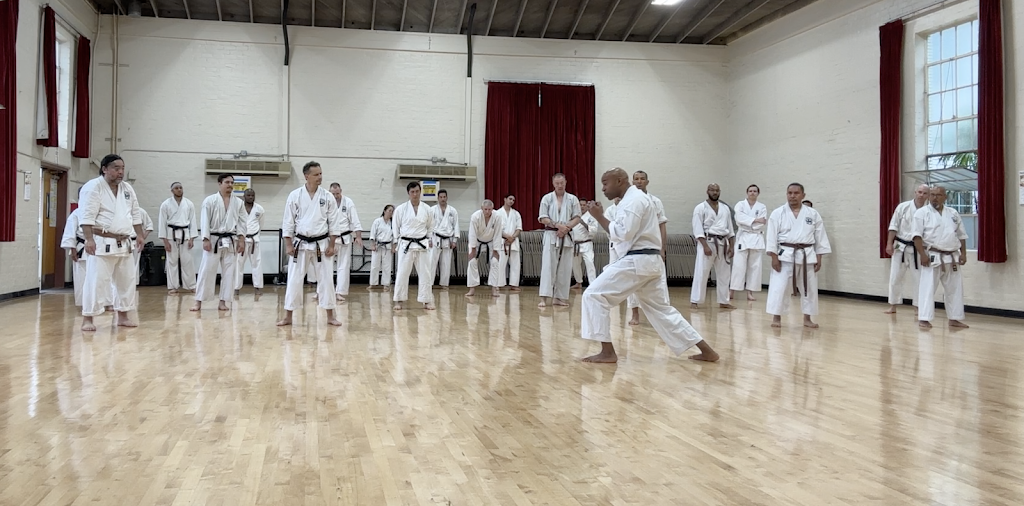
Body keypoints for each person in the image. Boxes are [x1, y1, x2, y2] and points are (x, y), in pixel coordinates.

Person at [580, 168, 719, 364]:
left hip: (638, 260)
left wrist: (599, 217)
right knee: (662, 311)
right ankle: (707, 351)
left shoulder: (634, 200)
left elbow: (624, 234)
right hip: (647, 262)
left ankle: (607, 352)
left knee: (593, 295)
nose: (603, 188)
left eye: (605, 183)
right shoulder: (632, 200)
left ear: (619, 181)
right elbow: (625, 231)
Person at [77, 154, 145, 332]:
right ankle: (88, 318)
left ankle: (123, 316)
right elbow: (86, 216)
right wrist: (89, 239)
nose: (120, 172)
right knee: (96, 282)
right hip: (101, 242)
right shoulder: (93, 187)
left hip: (124, 242)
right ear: (104, 169)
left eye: (122, 168)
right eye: (116, 168)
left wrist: (139, 234)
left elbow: (135, 213)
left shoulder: (127, 188)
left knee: (126, 282)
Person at [276, 161, 343, 326]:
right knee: (294, 280)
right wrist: (288, 244)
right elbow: (288, 221)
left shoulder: (327, 196)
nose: (320, 177)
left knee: (326, 280)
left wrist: (332, 244)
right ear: (307, 176)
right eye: (316, 174)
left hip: (322, 243)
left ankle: (330, 316)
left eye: (321, 173)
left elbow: (334, 222)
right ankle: (288, 316)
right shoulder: (295, 196)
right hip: (300, 244)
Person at [765, 183, 832, 328]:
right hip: (785, 255)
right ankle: (776, 317)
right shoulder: (778, 213)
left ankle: (807, 318)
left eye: (796, 193)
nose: (792, 196)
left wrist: (819, 257)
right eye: (789, 193)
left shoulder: (812, 214)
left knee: (809, 288)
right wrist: (774, 257)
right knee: (780, 287)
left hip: (807, 255)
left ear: (803, 195)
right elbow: (771, 236)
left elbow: (820, 236)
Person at [913, 185, 969, 329]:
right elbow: (917, 236)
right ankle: (924, 318)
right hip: (932, 255)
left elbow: (961, 235)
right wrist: (922, 254)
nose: (934, 198)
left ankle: (954, 318)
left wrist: (963, 253)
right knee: (927, 288)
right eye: (932, 195)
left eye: (938, 195)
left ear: (945, 197)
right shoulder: (921, 213)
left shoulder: (953, 213)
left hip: (952, 256)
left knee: (955, 289)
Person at [191, 174, 247, 312]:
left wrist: (241, 240)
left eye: (232, 182)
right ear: (219, 183)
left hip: (231, 240)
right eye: (227, 182)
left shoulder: (238, 202)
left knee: (229, 273)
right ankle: (198, 302)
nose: (230, 185)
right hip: (213, 239)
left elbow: (242, 222)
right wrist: (205, 239)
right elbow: (204, 220)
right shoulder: (210, 200)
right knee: (206, 270)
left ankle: (223, 301)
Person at [627, 171, 669, 325]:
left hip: (653, 247)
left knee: (659, 282)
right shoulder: (628, 201)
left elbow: (662, 225)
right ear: (632, 182)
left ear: (647, 182)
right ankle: (635, 314)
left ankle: (662, 314)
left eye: (642, 179)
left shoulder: (655, 201)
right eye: (636, 179)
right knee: (633, 283)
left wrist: (663, 248)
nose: (639, 181)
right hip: (633, 247)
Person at [538, 173, 582, 308]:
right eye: (557, 183)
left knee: (564, 268)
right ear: (553, 183)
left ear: (566, 182)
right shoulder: (547, 198)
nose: (559, 185)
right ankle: (544, 298)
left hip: (566, 235)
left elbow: (577, 217)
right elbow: (542, 218)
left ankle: (559, 298)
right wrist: (558, 226)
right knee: (548, 267)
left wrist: (566, 228)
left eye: (562, 183)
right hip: (551, 234)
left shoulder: (572, 199)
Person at [885, 184, 929, 313]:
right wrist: (889, 243)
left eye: (925, 193)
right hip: (900, 246)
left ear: (928, 196)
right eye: (919, 192)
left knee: (919, 279)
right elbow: (893, 226)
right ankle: (893, 305)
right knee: (895, 277)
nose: (921, 195)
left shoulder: (929, 211)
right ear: (915, 192)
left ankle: (918, 307)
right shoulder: (903, 207)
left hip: (918, 248)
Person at [690, 184, 735, 310]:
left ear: (719, 192)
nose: (715, 192)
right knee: (702, 272)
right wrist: (705, 246)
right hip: (707, 241)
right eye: (712, 190)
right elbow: (697, 228)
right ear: (707, 191)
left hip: (723, 243)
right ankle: (695, 300)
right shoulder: (700, 208)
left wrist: (732, 246)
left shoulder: (725, 208)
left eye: (717, 190)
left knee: (724, 274)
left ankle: (724, 301)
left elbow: (730, 229)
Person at [393, 181, 436, 311]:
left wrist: (429, 238)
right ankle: (399, 300)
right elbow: (395, 226)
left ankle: (426, 300)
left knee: (425, 273)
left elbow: (431, 226)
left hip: (422, 244)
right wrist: (395, 241)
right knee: (402, 273)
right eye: (412, 192)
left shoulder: (427, 209)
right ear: (408, 193)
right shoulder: (401, 209)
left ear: (420, 192)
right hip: (406, 244)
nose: (415, 194)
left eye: (417, 191)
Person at [159, 182, 198, 294]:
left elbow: (193, 221)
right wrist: (165, 241)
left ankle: (191, 285)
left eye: (180, 187)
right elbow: (162, 223)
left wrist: (192, 238)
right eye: (176, 188)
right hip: (171, 235)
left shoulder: (189, 204)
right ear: (172, 191)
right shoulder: (165, 204)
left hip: (185, 234)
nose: (179, 189)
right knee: (172, 261)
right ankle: (173, 286)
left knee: (188, 261)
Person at [730, 184, 767, 301]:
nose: (752, 193)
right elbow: (739, 219)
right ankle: (732, 290)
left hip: (756, 237)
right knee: (738, 265)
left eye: (755, 191)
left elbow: (762, 223)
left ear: (758, 193)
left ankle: (750, 292)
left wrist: (749, 222)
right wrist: (755, 220)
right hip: (743, 236)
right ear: (747, 192)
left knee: (755, 266)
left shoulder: (762, 207)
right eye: (750, 191)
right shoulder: (740, 205)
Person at [329, 182, 363, 303]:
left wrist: (358, 236)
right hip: (330, 239)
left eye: (337, 193)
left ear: (341, 191)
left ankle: (339, 292)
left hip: (344, 238)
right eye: (333, 194)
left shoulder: (348, 202)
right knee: (325, 266)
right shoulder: (326, 202)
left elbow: (355, 219)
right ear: (329, 192)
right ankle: (322, 291)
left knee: (343, 266)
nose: (335, 196)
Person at [465, 200, 504, 298]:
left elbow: (498, 233)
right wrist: (473, 249)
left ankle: (494, 288)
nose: (487, 211)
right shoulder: (475, 216)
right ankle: (472, 288)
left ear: (492, 209)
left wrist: (496, 249)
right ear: (481, 209)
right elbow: (472, 233)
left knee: (495, 262)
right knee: (472, 262)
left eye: (489, 209)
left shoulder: (497, 217)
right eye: (485, 209)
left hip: (492, 242)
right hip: (477, 241)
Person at [234, 188, 265, 295]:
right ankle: (236, 288)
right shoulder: (238, 208)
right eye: (248, 195)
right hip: (241, 240)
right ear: (244, 196)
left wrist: (255, 235)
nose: (251, 197)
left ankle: (258, 287)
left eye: (252, 195)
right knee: (238, 264)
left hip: (254, 239)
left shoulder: (259, 209)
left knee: (257, 263)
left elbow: (261, 224)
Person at [60, 187, 87, 307]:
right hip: (82, 249)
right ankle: (83, 302)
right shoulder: (76, 214)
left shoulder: (100, 211)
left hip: (99, 248)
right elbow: (70, 233)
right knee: (82, 277)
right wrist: (73, 249)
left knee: (100, 277)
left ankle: (102, 303)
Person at [429, 189, 459, 290]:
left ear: (447, 198)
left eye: (444, 197)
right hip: (435, 238)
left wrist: (454, 240)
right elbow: (428, 225)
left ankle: (444, 284)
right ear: (438, 198)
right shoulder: (432, 210)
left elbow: (456, 225)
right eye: (441, 197)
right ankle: (429, 283)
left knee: (446, 263)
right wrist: (429, 239)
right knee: (431, 262)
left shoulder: (452, 210)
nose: (443, 199)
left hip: (448, 239)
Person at [494, 194, 523, 292]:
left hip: (513, 242)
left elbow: (519, 228)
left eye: (513, 200)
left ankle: (514, 284)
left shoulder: (516, 214)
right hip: (502, 241)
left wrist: (512, 237)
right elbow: (496, 228)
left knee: (515, 264)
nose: (511, 201)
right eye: (510, 199)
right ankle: (498, 284)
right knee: (500, 264)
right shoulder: (497, 213)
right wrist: (507, 237)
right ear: (505, 199)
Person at [571, 200, 600, 290]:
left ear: (587, 206)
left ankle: (592, 284)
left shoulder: (591, 217)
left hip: (586, 243)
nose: (582, 207)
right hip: (576, 244)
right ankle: (578, 282)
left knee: (589, 263)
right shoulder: (574, 216)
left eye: (584, 205)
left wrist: (584, 224)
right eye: (580, 205)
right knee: (575, 264)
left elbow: (594, 230)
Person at [367, 205, 395, 291]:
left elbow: (395, 236)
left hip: (388, 246)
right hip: (377, 245)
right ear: (384, 211)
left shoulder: (393, 223)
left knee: (387, 266)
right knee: (375, 265)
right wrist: (372, 245)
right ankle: (373, 283)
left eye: (392, 211)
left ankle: (386, 284)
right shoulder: (377, 221)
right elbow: (373, 233)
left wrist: (394, 247)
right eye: (389, 210)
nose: (391, 212)